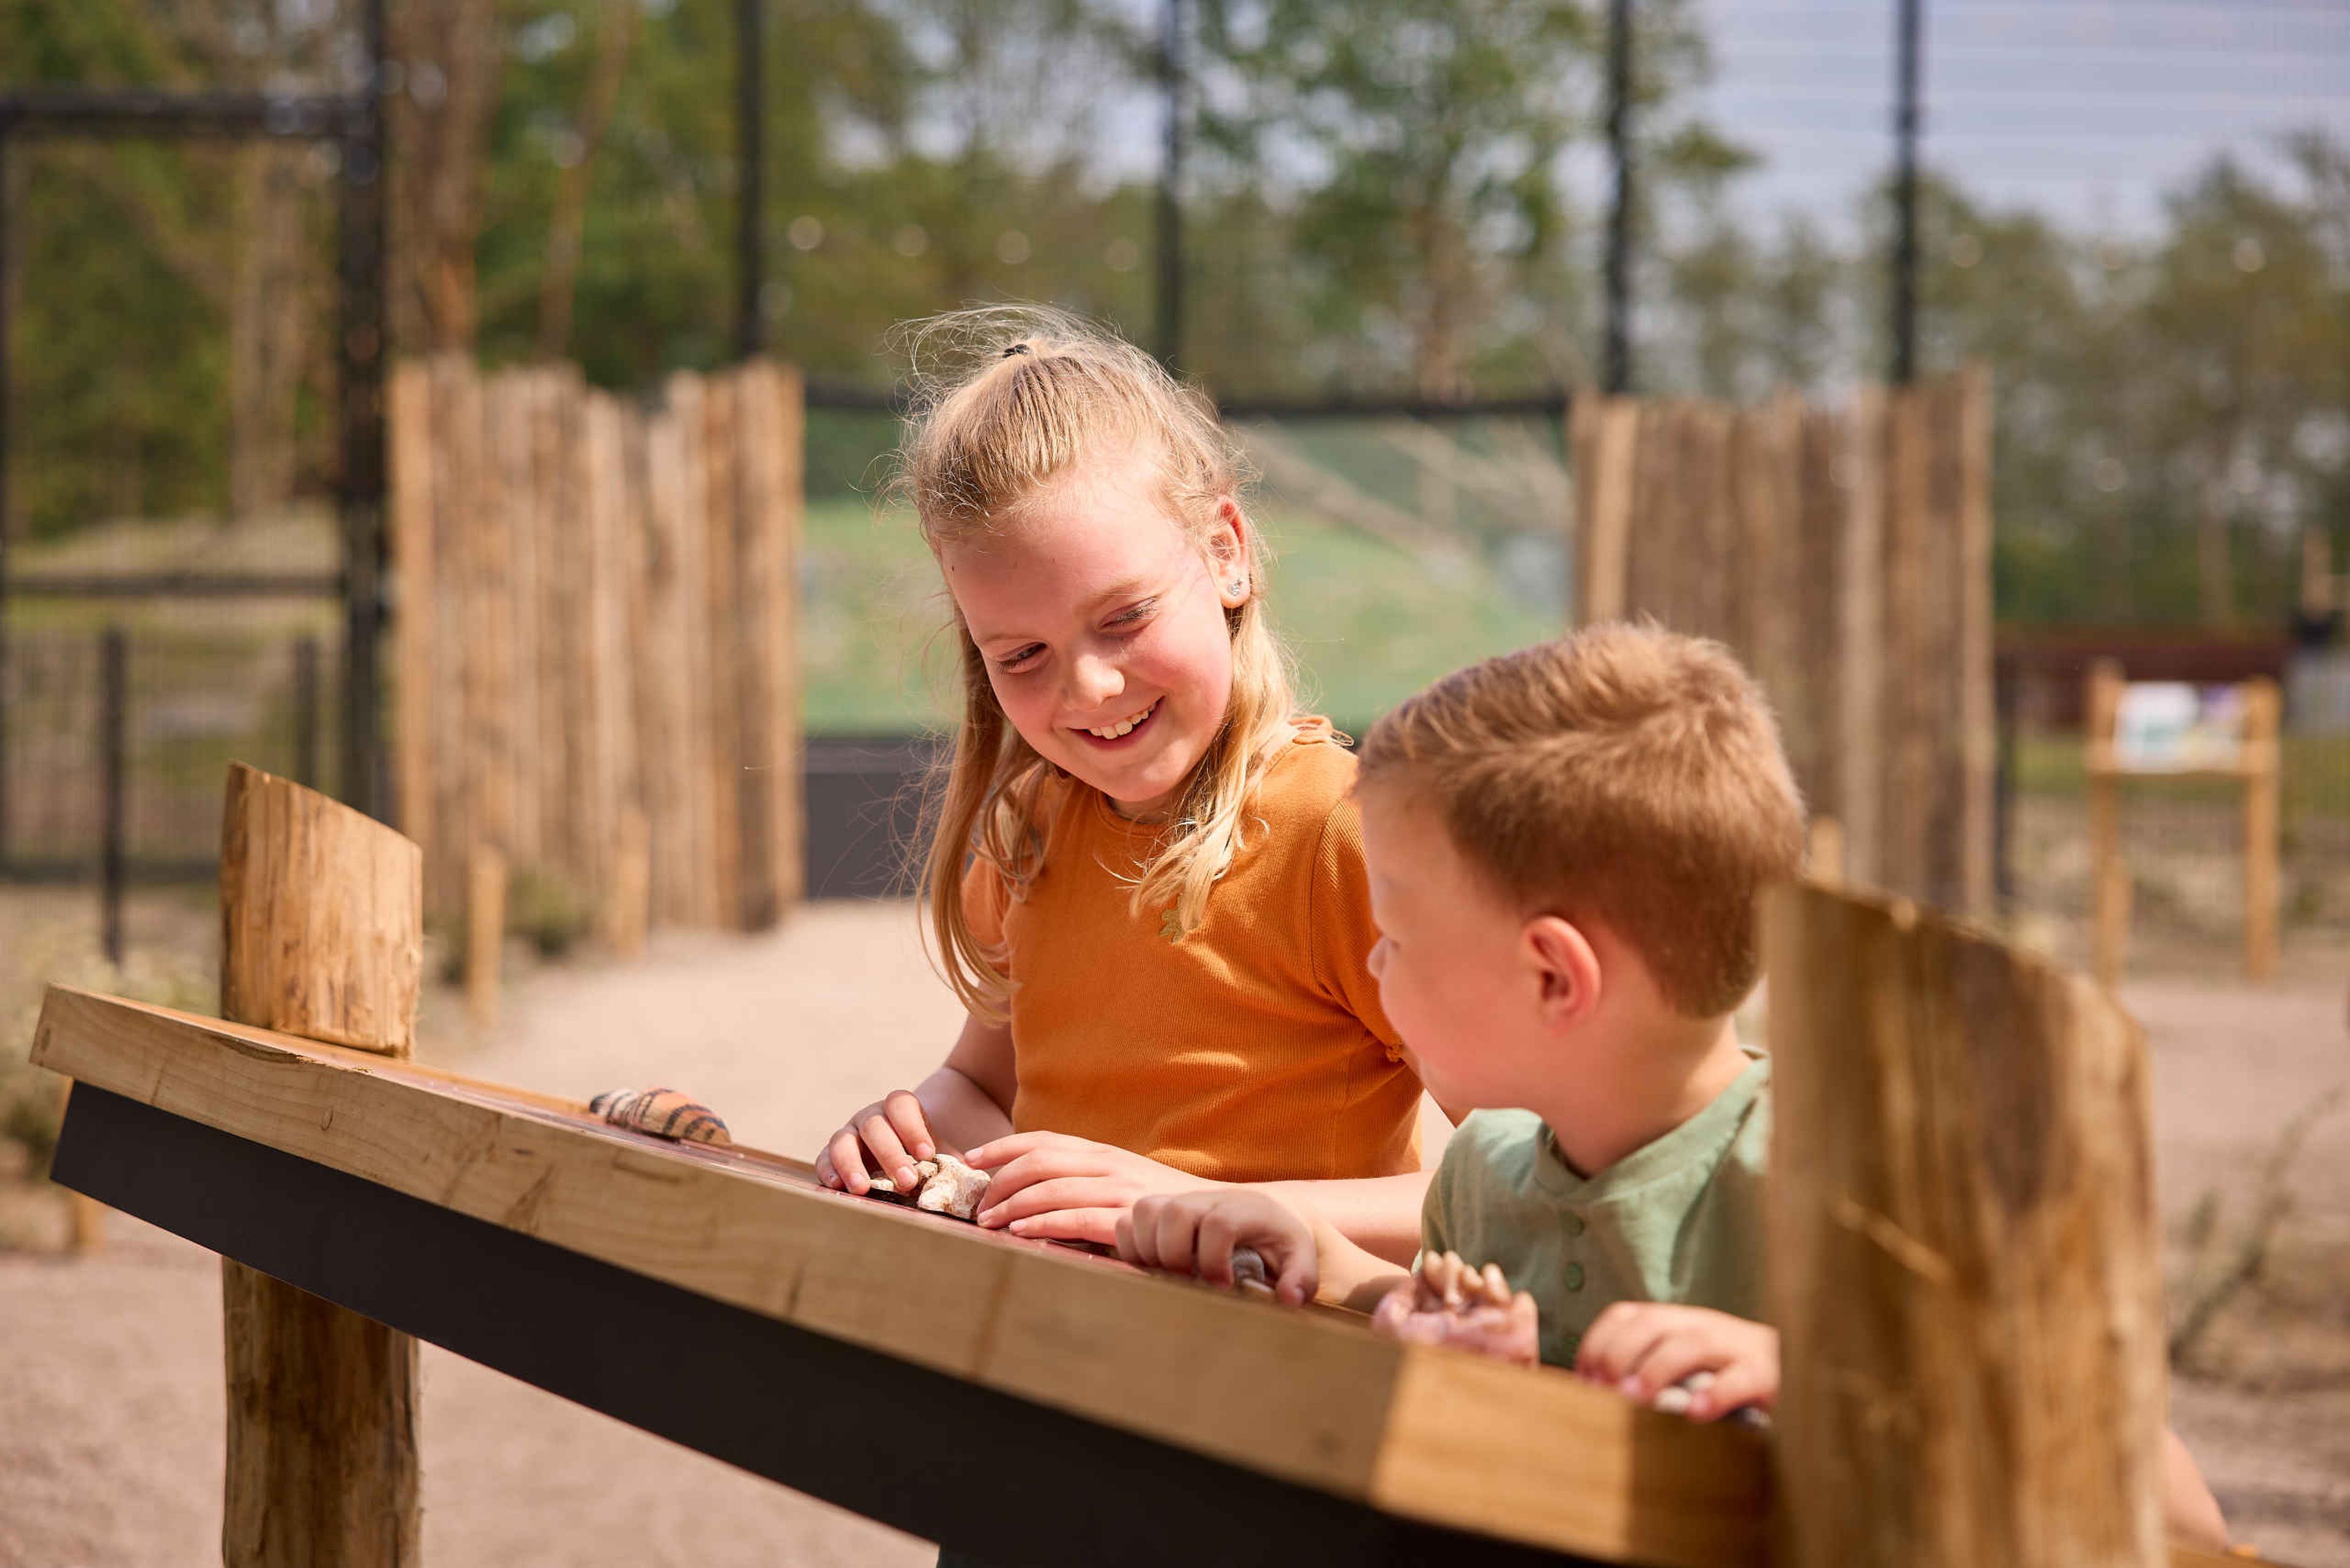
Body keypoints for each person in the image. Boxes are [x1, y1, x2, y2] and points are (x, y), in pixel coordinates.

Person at [1117, 624, 2229, 1549]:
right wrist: (1318, 1258)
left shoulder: (1856, 1179)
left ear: (1555, 975)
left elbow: (2162, 1498)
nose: (1373, 964)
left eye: (1397, 935)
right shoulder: (1486, 1170)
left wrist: (1820, 1381)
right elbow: (1462, 1338)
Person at [814, 306, 1429, 1264]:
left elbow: (1529, 1184)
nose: (1089, 687)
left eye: (1125, 615)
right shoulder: (1027, 832)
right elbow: (983, 1088)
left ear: (1225, 550)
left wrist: (1200, 1202)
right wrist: (909, 1131)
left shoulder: (1341, 830)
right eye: (1021, 653)